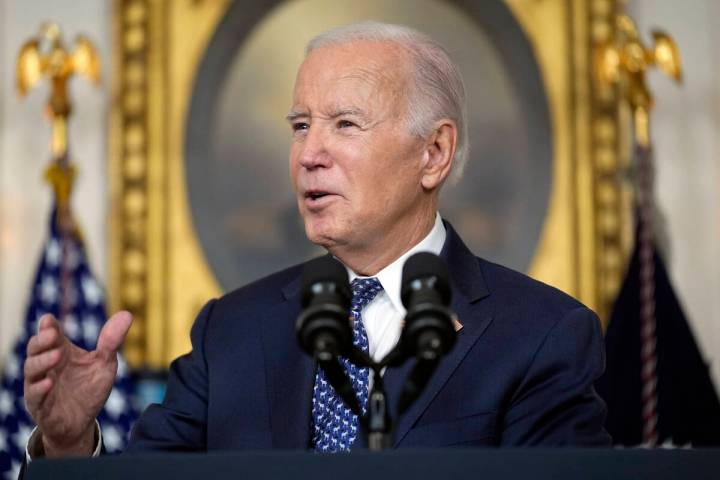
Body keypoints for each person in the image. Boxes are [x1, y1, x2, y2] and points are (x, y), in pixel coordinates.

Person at [22, 21, 610, 461]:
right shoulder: (230, 331)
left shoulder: (541, 337)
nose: (309, 154)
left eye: (345, 124)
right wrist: (71, 444)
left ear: (433, 154)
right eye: (300, 126)